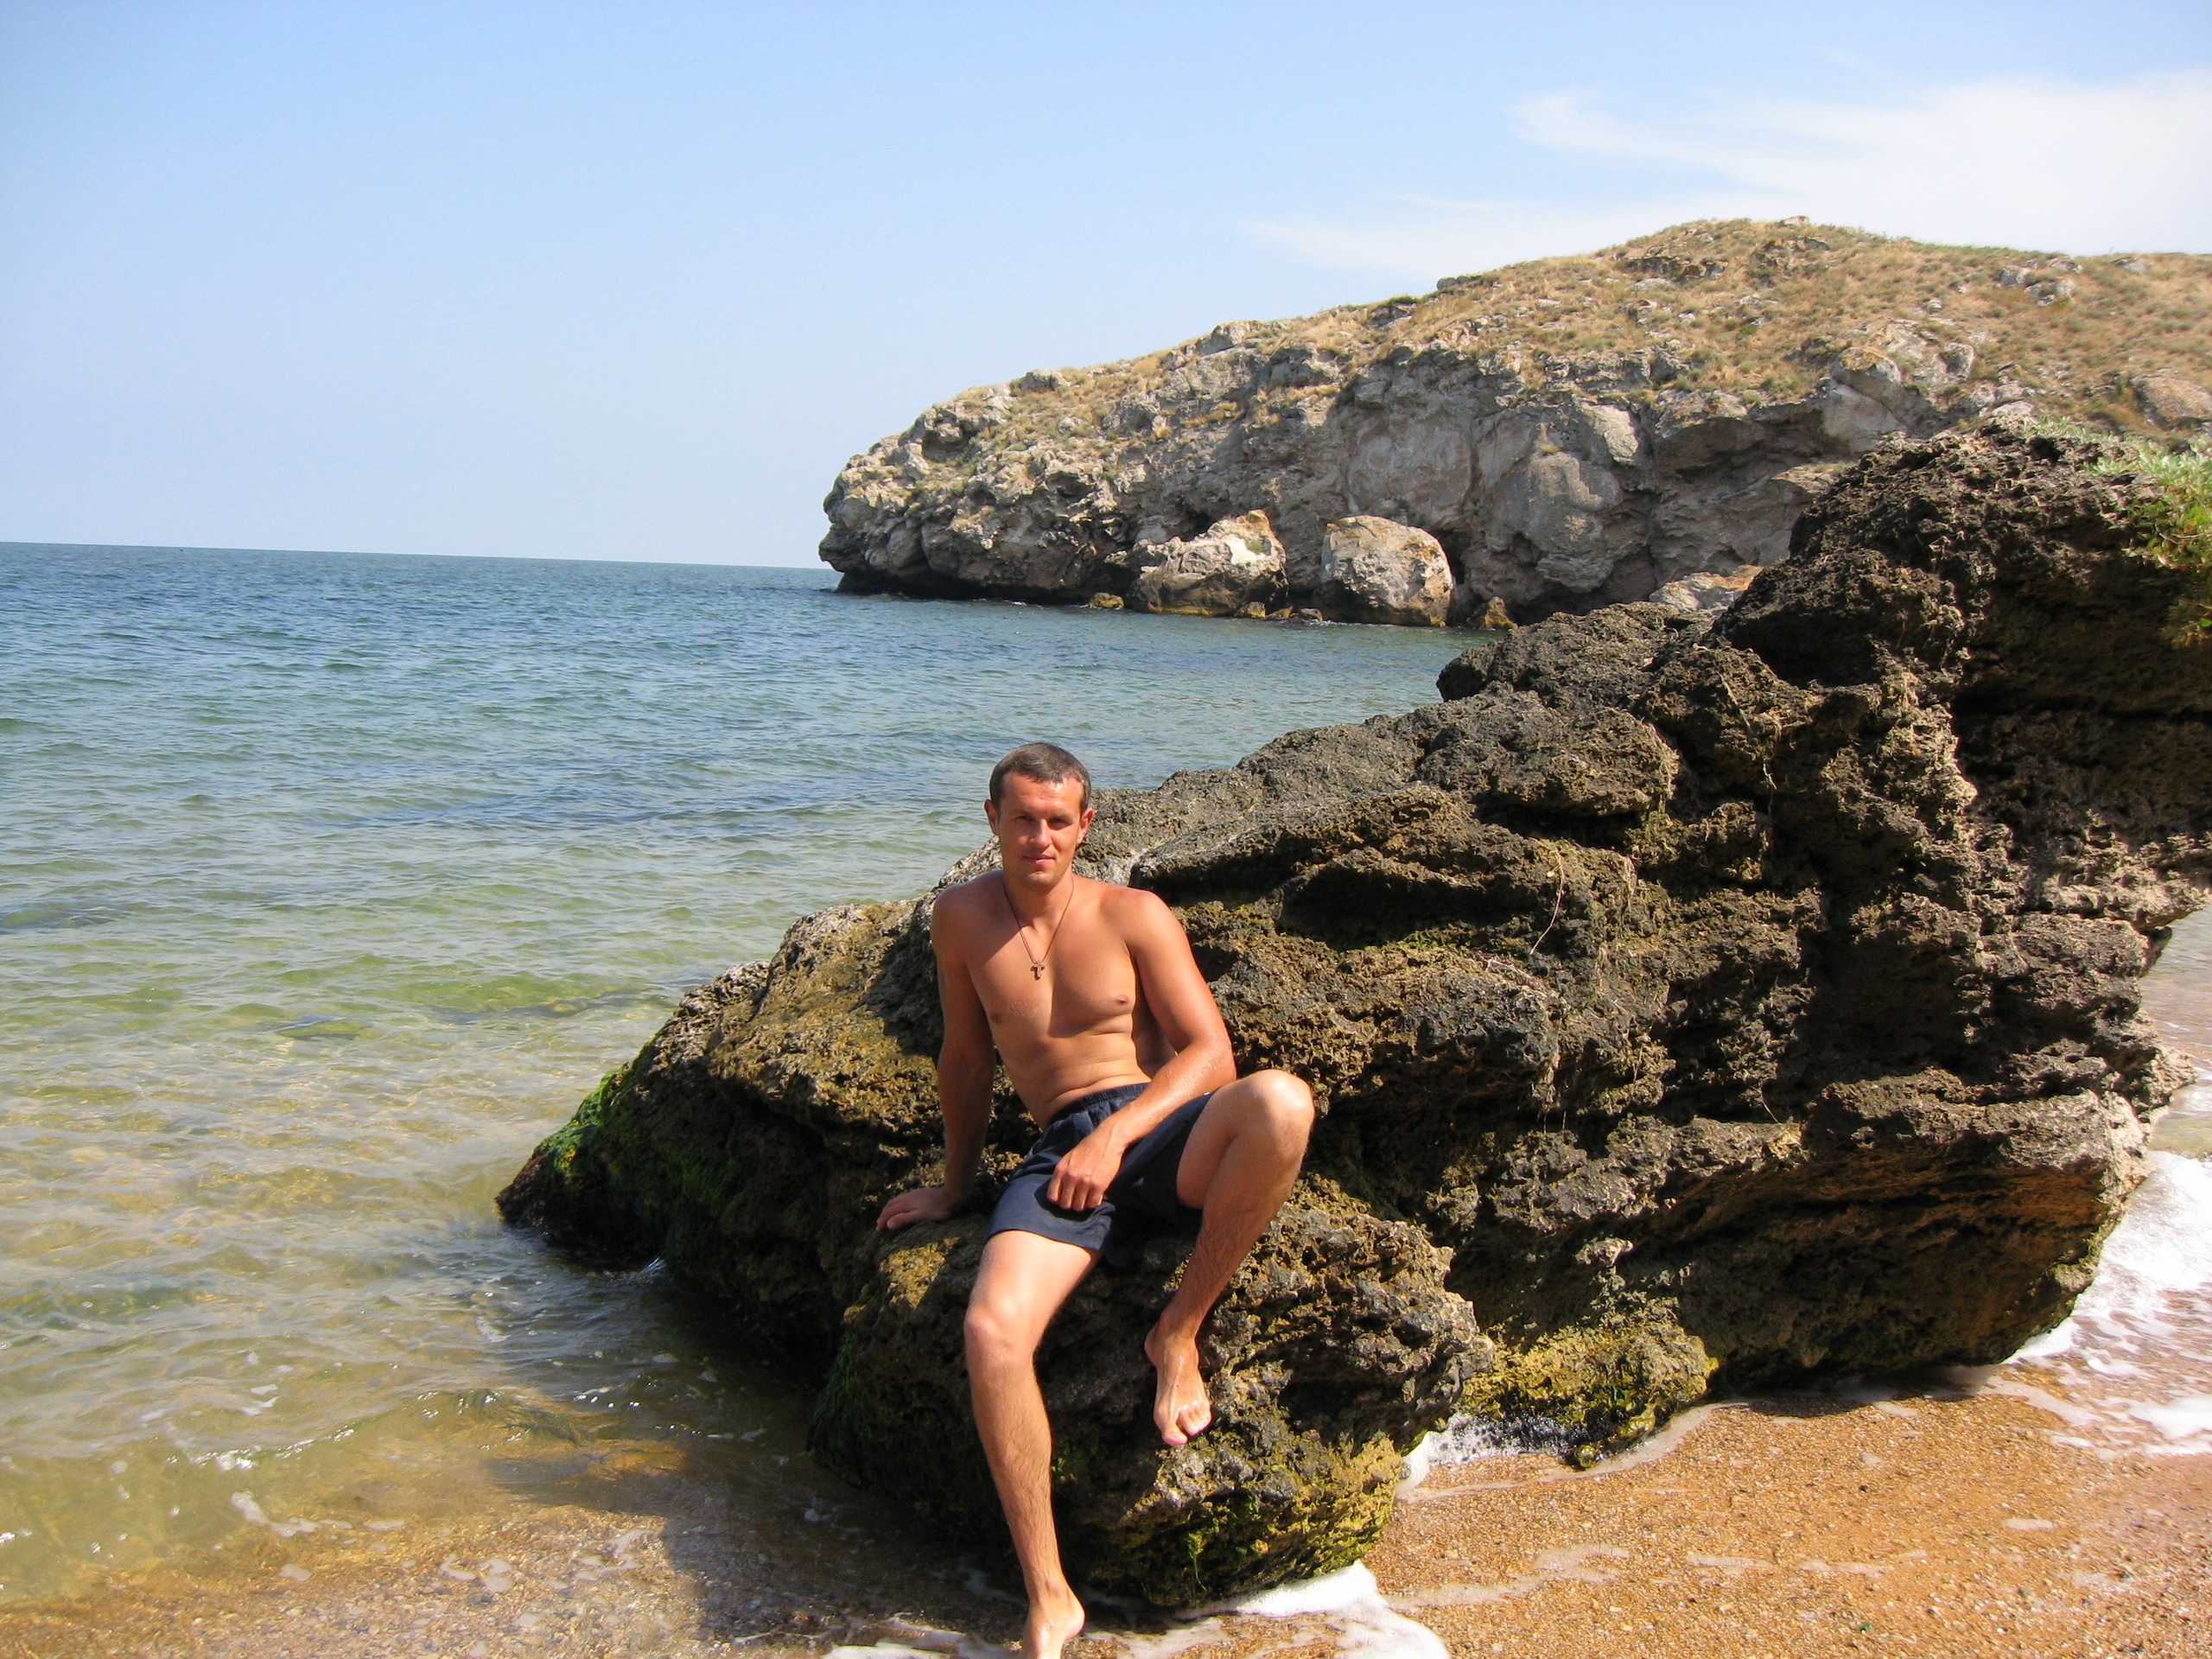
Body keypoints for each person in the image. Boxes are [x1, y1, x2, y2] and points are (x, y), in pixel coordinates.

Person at [878, 741, 1314, 1659]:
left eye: (1057, 820)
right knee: (992, 1331)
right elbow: (966, 1060)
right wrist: (955, 1188)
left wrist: (1117, 1137)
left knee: (1281, 1102)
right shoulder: (960, 919)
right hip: (1059, 1151)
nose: (1039, 837)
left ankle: (1177, 1333)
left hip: (1161, 1129)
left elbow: (1210, 1053)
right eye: (1022, 818)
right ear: (992, 820)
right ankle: (1050, 1596)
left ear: (1085, 825)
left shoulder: (1132, 914)